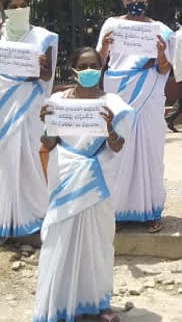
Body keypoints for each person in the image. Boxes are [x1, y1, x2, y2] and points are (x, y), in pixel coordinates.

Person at [33, 47, 134, 322]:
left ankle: (98, 303)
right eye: (84, 65)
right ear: (74, 69)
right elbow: (48, 144)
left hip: (98, 178)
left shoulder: (113, 103)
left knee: (98, 243)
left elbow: (118, 146)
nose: (90, 71)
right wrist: (47, 125)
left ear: (102, 69)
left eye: (95, 66)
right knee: (60, 240)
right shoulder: (57, 101)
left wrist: (110, 128)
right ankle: (65, 304)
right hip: (65, 175)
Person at [96, 0, 174, 233]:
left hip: (148, 94)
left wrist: (161, 53)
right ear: (123, 1)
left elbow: (164, 69)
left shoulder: (161, 30)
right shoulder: (112, 25)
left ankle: (150, 211)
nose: (134, 1)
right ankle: (117, 212)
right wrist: (106, 47)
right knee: (118, 150)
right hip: (118, 91)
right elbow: (98, 61)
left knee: (149, 152)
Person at [0, 0, 58, 239]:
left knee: (32, 158)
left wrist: (41, 68)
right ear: (5, 11)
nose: (19, 10)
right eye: (13, 7)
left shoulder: (43, 37)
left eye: (23, 6)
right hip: (4, 103)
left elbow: (47, 76)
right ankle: (6, 217)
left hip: (31, 103)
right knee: (5, 159)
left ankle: (34, 215)